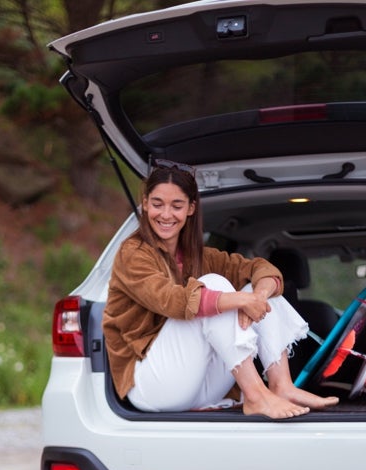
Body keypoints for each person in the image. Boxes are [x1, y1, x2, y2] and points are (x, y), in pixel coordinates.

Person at [102, 160, 339, 419]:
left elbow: (264, 269)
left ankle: (281, 385)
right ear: (145, 204)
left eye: (177, 205)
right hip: (149, 386)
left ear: (191, 208)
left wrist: (256, 297)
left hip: (196, 385)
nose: (166, 214)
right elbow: (173, 301)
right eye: (157, 204)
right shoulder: (133, 253)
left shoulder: (200, 256)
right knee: (216, 286)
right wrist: (239, 300)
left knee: (257, 290)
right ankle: (256, 396)